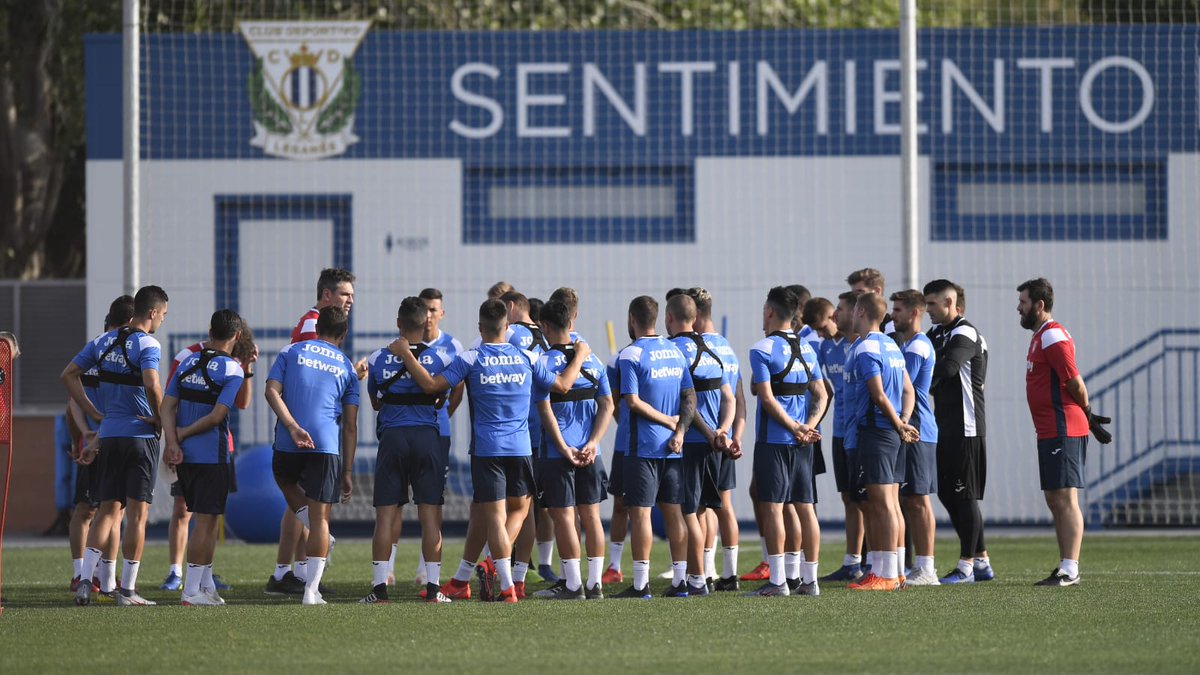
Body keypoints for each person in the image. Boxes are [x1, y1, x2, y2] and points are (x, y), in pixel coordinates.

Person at [396, 298, 589, 603]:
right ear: (507, 327)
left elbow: (433, 386)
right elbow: (564, 385)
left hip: (487, 448)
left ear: (479, 327)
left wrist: (407, 355)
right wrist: (580, 355)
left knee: (495, 517)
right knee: (518, 512)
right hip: (521, 446)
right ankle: (494, 581)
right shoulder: (527, 357)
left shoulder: (472, 358)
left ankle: (506, 586)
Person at [63, 285, 169, 606]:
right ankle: (128, 591)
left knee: (107, 511)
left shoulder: (102, 341)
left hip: (109, 436)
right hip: (139, 436)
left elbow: (68, 375)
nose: (162, 320)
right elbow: (151, 382)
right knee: (137, 515)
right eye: (163, 315)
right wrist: (160, 418)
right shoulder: (148, 343)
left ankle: (85, 581)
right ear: (152, 313)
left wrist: (95, 412)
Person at [268, 267, 360, 596]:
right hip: (313, 431)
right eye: (345, 294)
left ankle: (286, 573)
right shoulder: (313, 328)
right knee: (315, 512)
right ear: (326, 295)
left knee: (299, 503)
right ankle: (304, 578)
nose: (350, 299)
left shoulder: (298, 343)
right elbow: (314, 377)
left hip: (296, 427)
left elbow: (284, 383)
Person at [1017, 278, 1111, 587]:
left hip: (1063, 427)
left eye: (1024, 302)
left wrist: (1086, 412)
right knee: (1054, 498)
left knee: (1065, 499)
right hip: (1049, 430)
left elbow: (1075, 381)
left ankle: (1070, 569)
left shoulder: (1052, 336)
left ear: (1039, 305)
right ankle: (1064, 566)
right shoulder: (1040, 336)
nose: (1019, 307)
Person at [360, 297, 452, 604]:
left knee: (385, 516)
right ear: (426, 324)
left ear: (398, 323)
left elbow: (374, 401)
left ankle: (379, 590)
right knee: (431, 516)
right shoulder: (438, 358)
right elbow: (441, 399)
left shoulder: (377, 358)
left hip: (393, 439)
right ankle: (434, 590)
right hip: (427, 438)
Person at [609, 295, 695, 599]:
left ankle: (641, 584)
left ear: (632, 319)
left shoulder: (630, 354)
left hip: (642, 446)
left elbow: (630, 402)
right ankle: (680, 582)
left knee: (641, 514)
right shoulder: (674, 351)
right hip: (673, 447)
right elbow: (689, 397)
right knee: (674, 514)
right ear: (658, 318)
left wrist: (669, 423)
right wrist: (680, 430)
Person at [744, 287, 828, 598]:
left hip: (775, 440)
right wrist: (808, 426)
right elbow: (821, 394)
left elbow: (765, 397)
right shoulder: (808, 349)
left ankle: (778, 581)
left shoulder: (761, 349)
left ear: (769, 312)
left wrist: (794, 426)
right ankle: (811, 581)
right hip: (803, 440)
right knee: (806, 508)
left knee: (774, 508)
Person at [161, 324, 257, 592]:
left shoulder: (231, 364)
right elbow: (208, 413)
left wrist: (247, 367)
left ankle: (204, 581)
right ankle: (182, 579)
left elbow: (242, 403)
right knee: (192, 514)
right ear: (237, 335)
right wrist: (173, 440)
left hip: (203, 448)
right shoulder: (188, 357)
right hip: (202, 450)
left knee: (208, 518)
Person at [531, 299, 614, 599]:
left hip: (558, 453)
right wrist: (593, 442)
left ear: (545, 327)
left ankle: (573, 584)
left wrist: (564, 448)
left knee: (564, 517)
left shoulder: (541, 362)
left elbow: (545, 411)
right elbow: (607, 405)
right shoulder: (592, 359)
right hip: (592, 452)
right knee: (591, 516)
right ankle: (595, 584)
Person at [845, 293, 917, 592]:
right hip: (891, 430)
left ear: (860, 311)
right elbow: (908, 391)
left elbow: (878, 394)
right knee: (889, 504)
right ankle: (893, 571)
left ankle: (886, 574)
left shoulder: (866, 348)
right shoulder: (892, 346)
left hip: (876, 431)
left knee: (882, 504)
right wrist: (903, 420)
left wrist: (898, 423)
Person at [923, 279, 993, 584]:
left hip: (967, 427)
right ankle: (981, 561)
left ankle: (966, 567)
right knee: (948, 494)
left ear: (950, 304)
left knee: (965, 497)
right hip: (944, 425)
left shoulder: (964, 331)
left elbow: (947, 369)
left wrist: (914, 385)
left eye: (933, 304)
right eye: (925, 305)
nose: (928, 310)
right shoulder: (937, 333)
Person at [667, 294, 734, 597]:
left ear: (669, 319)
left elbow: (686, 405)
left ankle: (695, 580)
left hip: (693, 442)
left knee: (689, 513)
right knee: (706, 510)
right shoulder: (712, 352)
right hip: (714, 444)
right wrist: (723, 431)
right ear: (694, 319)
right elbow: (730, 399)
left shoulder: (673, 351)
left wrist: (709, 434)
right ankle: (705, 573)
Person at [66, 295, 134, 594]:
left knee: (114, 510)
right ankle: (81, 573)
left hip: (115, 439)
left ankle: (106, 577)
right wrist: (84, 434)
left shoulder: (129, 353)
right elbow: (73, 401)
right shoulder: (96, 352)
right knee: (86, 509)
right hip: (96, 442)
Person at [687, 287, 745, 592]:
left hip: (702, 438)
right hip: (725, 438)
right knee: (723, 505)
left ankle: (701, 572)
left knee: (697, 507)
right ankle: (727, 573)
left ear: (693, 315)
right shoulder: (727, 348)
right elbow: (739, 398)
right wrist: (735, 436)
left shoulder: (693, 348)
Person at [889, 289, 940, 586]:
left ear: (913, 314)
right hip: (910, 428)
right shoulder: (907, 345)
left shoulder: (917, 347)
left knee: (918, 499)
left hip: (918, 429)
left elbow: (897, 383)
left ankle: (926, 568)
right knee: (909, 498)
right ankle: (916, 566)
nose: (892, 316)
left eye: (897, 310)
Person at [847, 268, 896, 334]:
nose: (855, 298)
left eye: (860, 292)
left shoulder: (892, 329)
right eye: (853, 294)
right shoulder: (853, 327)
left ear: (877, 291)